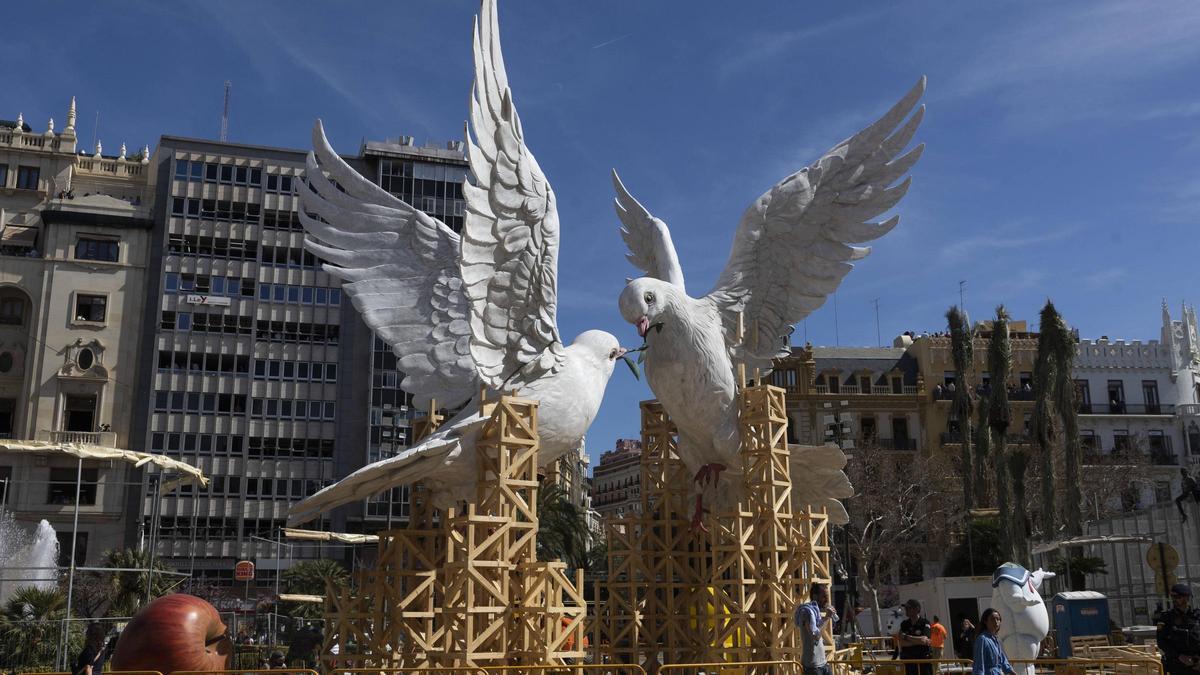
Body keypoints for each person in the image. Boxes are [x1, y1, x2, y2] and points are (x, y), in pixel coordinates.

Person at [795, 582, 839, 675]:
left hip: (823, 664)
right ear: (815, 596)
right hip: (813, 667)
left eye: (827, 596)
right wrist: (827, 617)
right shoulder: (806, 612)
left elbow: (818, 629)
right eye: (824, 596)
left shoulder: (816, 612)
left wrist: (826, 618)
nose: (826, 600)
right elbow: (816, 636)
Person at [1157, 583, 1200, 675]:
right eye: (1173, 597)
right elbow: (1161, 642)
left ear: (1187, 598)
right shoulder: (1166, 618)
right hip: (1177, 665)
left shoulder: (1197, 616)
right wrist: (1179, 656)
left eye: (1178, 597)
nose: (1174, 600)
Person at [974, 608, 1016, 675]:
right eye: (992, 619)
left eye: (998, 619)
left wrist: (1010, 671)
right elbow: (979, 663)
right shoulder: (982, 639)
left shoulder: (995, 639)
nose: (996, 622)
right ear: (985, 621)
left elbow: (1002, 658)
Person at [897, 598, 933, 675]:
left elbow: (924, 640)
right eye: (905, 608)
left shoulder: (925, 623)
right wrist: (918, 641)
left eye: (908, 608)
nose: (906, 610)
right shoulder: (904, 624)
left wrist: (906, 637)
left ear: (917, 609)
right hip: (909, 662)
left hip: (923, 662)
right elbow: (902, 643)